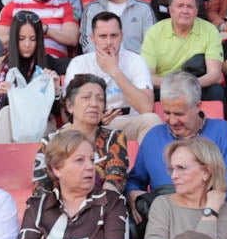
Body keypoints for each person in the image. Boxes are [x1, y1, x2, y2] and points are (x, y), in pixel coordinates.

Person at [127, 74, 227, 215]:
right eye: (167, 113)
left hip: (209, 210)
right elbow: (135, 179)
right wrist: (132, 193)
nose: (172, 120)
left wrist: (196, 197)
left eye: (179, 114)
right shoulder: (153, 136)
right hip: (164, 215)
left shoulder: (221, 130)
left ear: (197, 106)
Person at [66, 10, 160, 142]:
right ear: (93, 38)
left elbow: (146, 107)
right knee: (63, 133)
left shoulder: (135, 61)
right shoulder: (79, 63)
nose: (109, 42)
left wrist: (115, 71)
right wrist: (96, 119)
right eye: (103, 36)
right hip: (88, 125)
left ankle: (145, 163)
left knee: (152, 120)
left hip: (126, 123)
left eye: (114, 36)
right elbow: (69, 109)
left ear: (121, 36)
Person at [0, 10, 58, 144]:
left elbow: (57, 112)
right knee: (6, 112)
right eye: (21, 39)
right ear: (14, 39)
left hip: (38, 126)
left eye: (32, 39)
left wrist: (56, 91)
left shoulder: (47, 64)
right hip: (8, 129)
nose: (27, 45)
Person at [142, 0, 225, 103]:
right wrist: (174, 84)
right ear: (170, 10)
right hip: (165, 86)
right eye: (180, 6)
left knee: (216, 91)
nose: (185, 11)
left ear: (196, 11)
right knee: (147, 93)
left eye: (190, 7)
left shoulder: (210, 30)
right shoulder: (154, 32)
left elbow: (214, 75)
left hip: (196, 85)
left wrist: (188, 85)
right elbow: (147, 77)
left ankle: (214, 121)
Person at [0, 0, 79, 70]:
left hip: (54, 63)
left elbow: (72, 39)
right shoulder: (14, 6)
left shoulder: (65, 7)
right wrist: (26, 33)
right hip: (21, 60)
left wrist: (44, 29)